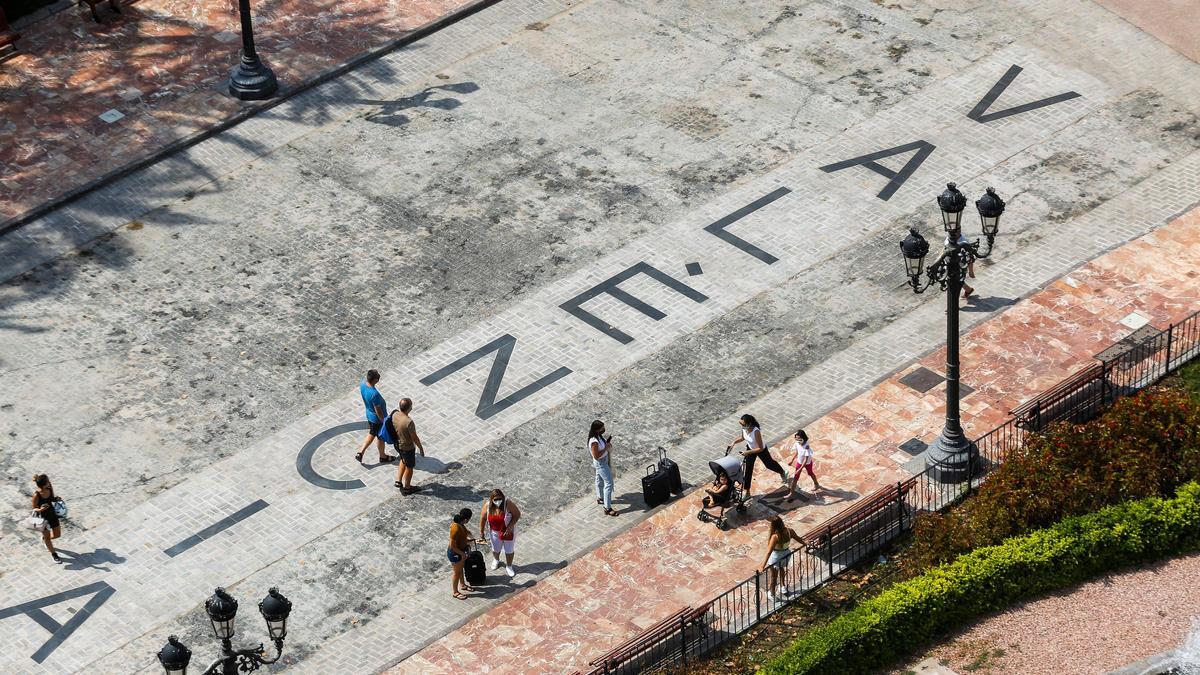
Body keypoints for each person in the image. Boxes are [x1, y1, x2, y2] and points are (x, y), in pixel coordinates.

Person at [727, 414, 788, 498]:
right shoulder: (745, 429)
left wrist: (748, 452)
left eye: (743, 424)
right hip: (750, 449)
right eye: (741, 424)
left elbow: (760, 448)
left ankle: (782, 472)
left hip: (761, 450)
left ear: (749, 423)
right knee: (748, 470)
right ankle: (747, 492)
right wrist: (733, 442)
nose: (742, 426)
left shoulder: (756, 431)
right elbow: (743, 437)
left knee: (769, 464)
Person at [355, 369, 396, 464]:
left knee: (372, 433)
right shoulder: (374, 394)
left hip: (369, 414)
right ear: (373, 380)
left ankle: (360, 453)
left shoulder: (363, 384)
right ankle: (382, 457)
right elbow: (378, 411)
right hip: (376, 419)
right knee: (380, 437)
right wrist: (384, 421)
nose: (378, 378)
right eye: (377, 377)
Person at [479, 489, 521, 578]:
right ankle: (496, 559)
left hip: (507, 532)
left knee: (509, 550)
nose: (498, 501)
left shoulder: (507, 504)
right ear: (491, 499)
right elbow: (483, 519)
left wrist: (509, 527)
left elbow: (517, 514)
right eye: (495, 500)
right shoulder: (488, 506)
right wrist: (482, 531)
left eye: (499, 499)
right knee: (496, 549)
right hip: (494, 532)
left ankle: (509, 566)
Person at [759, 515, 801, 603]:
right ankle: (782, 586)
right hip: (786, 554)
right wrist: (804, 543)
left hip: (776, 558)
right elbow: (798, 538)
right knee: (782, 569)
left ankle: (772, 594)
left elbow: (769, 552)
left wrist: (762, 566)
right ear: (782, 523)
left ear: (773, 526)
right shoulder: (789, 531)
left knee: (773, 577)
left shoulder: (775, 537)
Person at [388, 398, 426, 494]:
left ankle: (398, 481)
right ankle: (407, 488)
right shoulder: (409, 422)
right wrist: (420, 448)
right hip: (407, 447)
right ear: (409, 408)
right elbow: (415, 438)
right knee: (409, 467)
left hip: (397, 444)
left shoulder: (395, 414)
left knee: (403, 459)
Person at [31, 474, 63, 564]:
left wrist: (56, 499)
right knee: (47, 536)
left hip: (52, 515)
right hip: (42, 518)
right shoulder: (36, 495)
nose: (50, 482)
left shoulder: (49, 488)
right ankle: (54, 554)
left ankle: (45, 539)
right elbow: (34, 508)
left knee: (57, 535)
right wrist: (41, 509)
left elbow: (52, 498)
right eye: (48, 481)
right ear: (43, 485)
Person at [589, 420, 616, 516]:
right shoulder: (594, 442)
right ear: (596, 430)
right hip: (601, 463)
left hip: (604, 460)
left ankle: (600, 498)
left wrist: (607, 444)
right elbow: (596, 456)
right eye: (601, 428)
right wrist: (605, 448)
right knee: (609, 483)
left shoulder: (599, 437)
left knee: (599, 479)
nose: (603, 429)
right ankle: (607, 508)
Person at [785, 429, 821, 501]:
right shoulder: (797, 443)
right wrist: (792, 460)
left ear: (803, 438)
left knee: (810, 473)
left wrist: (799, 469)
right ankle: (791, 493)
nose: (798, 441)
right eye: (796, 439)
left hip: (807, 463)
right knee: (795, 478)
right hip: (799, 462)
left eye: (799, 439)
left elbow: (806, 459)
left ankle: (816, 484)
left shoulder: (806, 447)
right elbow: (797, 452)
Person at [447, 508, 474, 600]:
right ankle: (455, 592)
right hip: (455, 553)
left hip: (460, 551)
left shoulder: (460, 524)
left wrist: (467, 540)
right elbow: (452, 546)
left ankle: (462, 585)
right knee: (456, 573)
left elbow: (462, 537)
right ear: (466, 519)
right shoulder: (455, 528)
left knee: (460, 570)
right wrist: (462, 554)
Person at [945, 228, 975, 298]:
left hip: (959, 267)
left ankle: (953, 303)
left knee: (956, 281)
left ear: (959, 231)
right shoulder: (949, 237)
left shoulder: (964, 243)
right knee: (956, 281)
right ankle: (968, 290)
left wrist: (971, 271)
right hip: (948, 264)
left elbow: (970, 258)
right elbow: (945, 248)